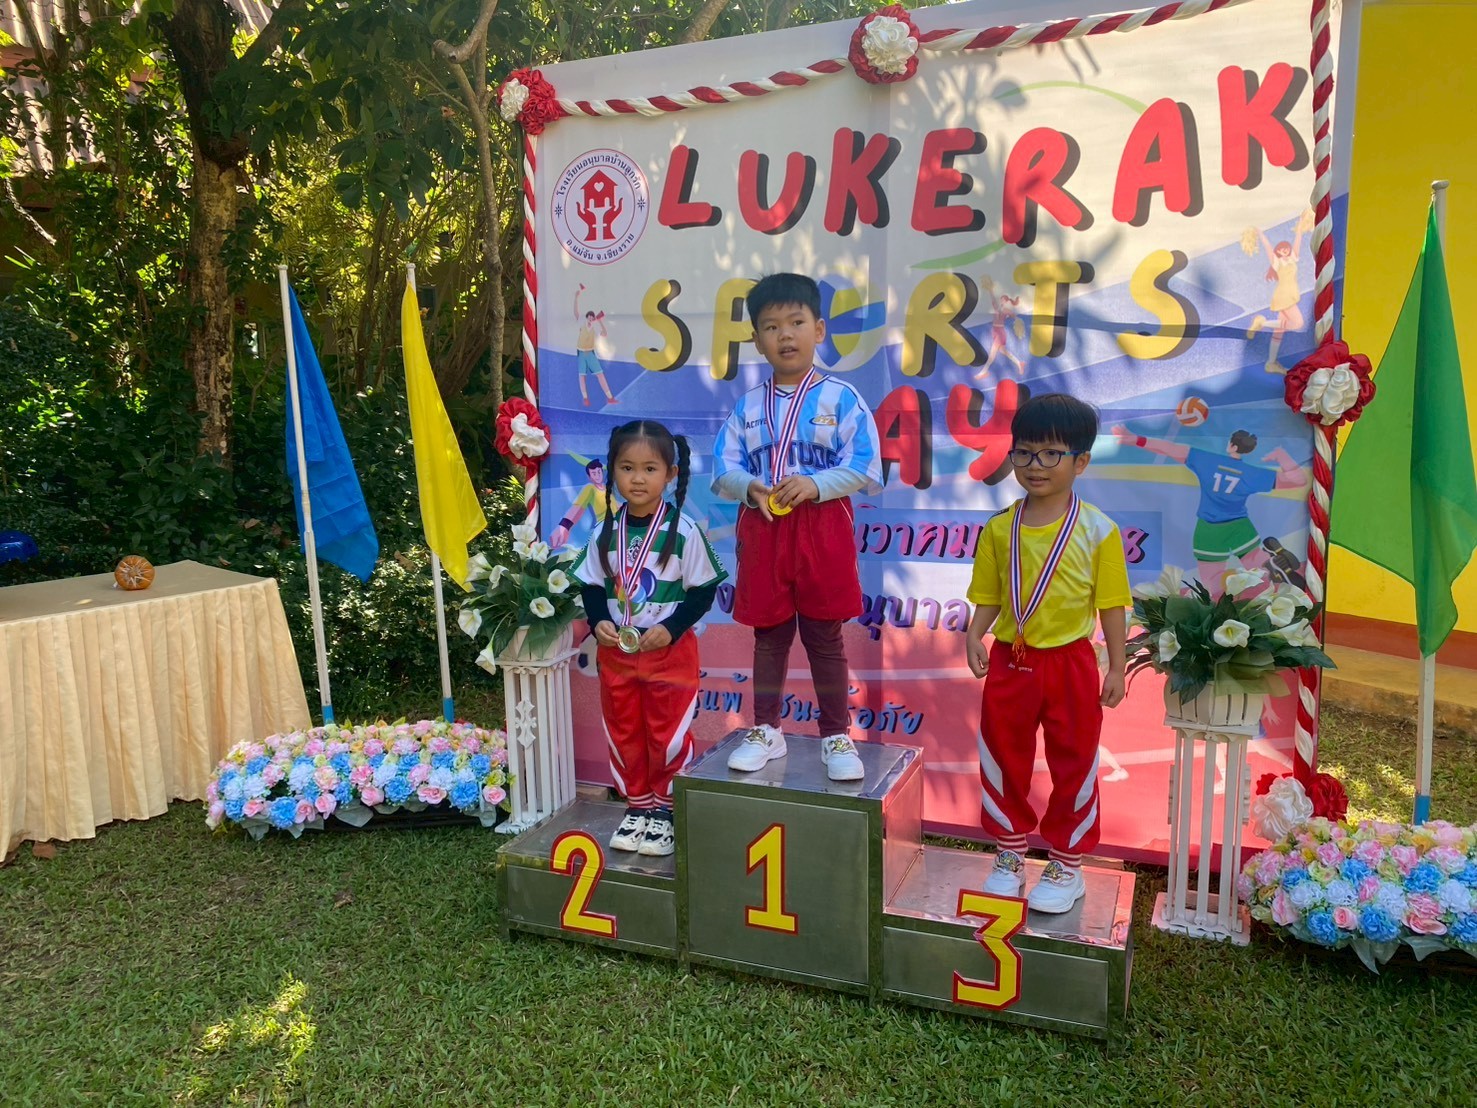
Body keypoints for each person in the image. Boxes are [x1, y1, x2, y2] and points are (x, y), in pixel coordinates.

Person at [712, 272, 883, 782]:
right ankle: (766, 729)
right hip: (764, 527)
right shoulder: (747, 406)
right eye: (771, 326)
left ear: (819, 330)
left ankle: (836, 735)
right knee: (769, 636)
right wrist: (749, 486)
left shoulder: (843, 398)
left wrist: (815, 484)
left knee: (825, 636)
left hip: (823, 528)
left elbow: (867, 467)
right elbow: (721, 468)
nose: (785, 335)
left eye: (796, 322)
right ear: (756, 339)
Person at [964, 393, 1131, 913]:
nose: (1035, 465)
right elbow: (989, 594)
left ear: (1081, 462)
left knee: (1075, 759)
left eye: (1051, 453)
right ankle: (1009, 852)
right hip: (1011, 660)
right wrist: (974, 635)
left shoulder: (1098, 530)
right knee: (1001, 754)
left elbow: (1112, 605)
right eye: (1024, 452)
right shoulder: (999, 528)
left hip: (1072, 663)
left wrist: (1118, 665)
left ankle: (1067, 862)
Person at [573, 420, 726, 855]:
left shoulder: (684, 531)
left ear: (670, 474)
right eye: (627, 468)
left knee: (667, 734)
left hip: (668, 652)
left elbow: (703, 591)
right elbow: (590, 585)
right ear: (612, 471)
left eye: (650, 468)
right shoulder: (604, 533)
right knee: (624, 731)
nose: (637, 479)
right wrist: (598, 621)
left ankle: (667, 810)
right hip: (617, 653)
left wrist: (671, 628)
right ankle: (637, 805)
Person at [1111, 425, 1306, 598]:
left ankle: (1229, 593)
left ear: (1232, 446)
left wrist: (1136, 440)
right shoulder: (1252, 473)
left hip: (1210, 528)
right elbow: (1298, 480)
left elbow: (1170, 449)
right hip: (1240, 525)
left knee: (1212, 580)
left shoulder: (1208, 461)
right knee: (1253, 559)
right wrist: (1282, 456)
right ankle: (1269, 564)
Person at [550, 457, 607, 550]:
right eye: (594, 473)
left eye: (599, 472)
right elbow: (578, 507)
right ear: (589, 477)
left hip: (619, 527)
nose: (597, 476)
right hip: (604, 528)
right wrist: (564, 526)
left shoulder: (608, 488)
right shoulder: (590, 488)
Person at [575, 284, 618, 408]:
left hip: (591, 353)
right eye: (589, 316)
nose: (590, 318)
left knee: (600, 375)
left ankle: (610, 398)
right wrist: (576, 297)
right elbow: (576, 312)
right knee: (582, 376)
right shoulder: (581, 324)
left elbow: (604, 333)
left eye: (592, 317)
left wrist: (600, 321)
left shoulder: (595, 327)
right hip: (581, 353)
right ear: (586, 317)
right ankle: (585, 398)